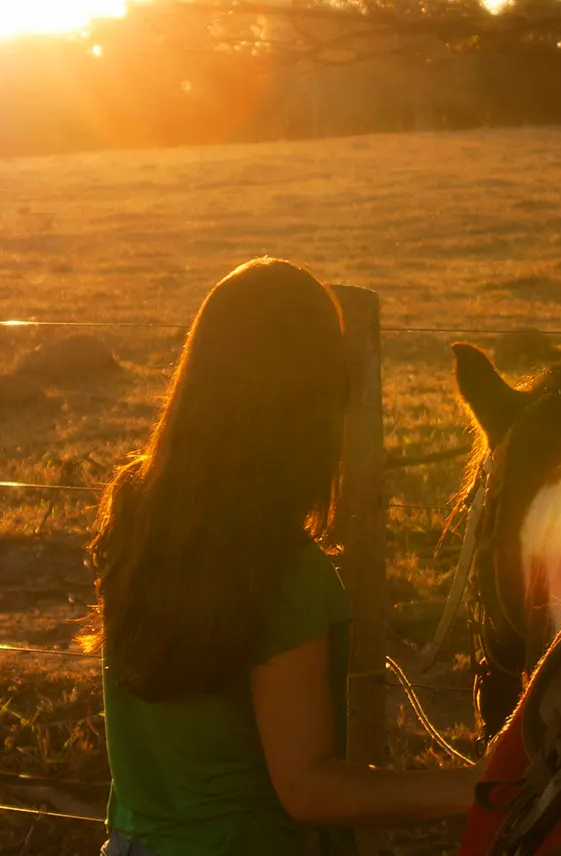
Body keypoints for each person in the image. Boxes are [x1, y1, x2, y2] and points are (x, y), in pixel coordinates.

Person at [81, 257, 481, 856]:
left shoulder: (137, 511)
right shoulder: (284, 573)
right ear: (311, 404)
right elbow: (308, 788)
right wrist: (477, 787)